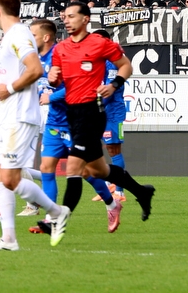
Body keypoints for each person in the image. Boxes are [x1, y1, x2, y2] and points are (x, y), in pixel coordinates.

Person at [0, 0, 70, 251]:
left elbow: (35, 69)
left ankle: (57, 212)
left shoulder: (18, 34)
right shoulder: (11, 37)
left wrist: (10, 90)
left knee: (10, 178)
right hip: (5, 115)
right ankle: (8, 239)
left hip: (19, 118)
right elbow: (13, 76)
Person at [49, 2, 155, 235]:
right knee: (97, 170)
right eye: (64, 17)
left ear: (86, 19)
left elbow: (126, 66)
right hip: (72, 114)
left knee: (74, 167)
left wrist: (114, 84)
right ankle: (141, 192)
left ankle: (58, 220)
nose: (66, 20)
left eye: (71, 16)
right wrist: (52, 77)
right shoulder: (61, 49)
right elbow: (57, 80)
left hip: (93, 112)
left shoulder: (100, 44)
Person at [26, 19, 122, 235]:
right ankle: (51, 219)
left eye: (33, 33)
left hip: (74, 121)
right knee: (46, 168)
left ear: (46, 37)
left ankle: (112, 204)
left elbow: (75, 85)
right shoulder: (37, 59)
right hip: (53, 123)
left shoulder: (64, 54)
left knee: (88, 172)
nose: (30, 38)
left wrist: (52, 97)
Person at [93, 29, 127, 203]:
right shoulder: (101, 61)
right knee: (101, 150)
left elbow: (110, 91)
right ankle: (110, 185)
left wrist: (95, 106)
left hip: (113, 113)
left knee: (114, 150)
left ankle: (119, 191)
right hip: (102, 112)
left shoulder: (113, 61)